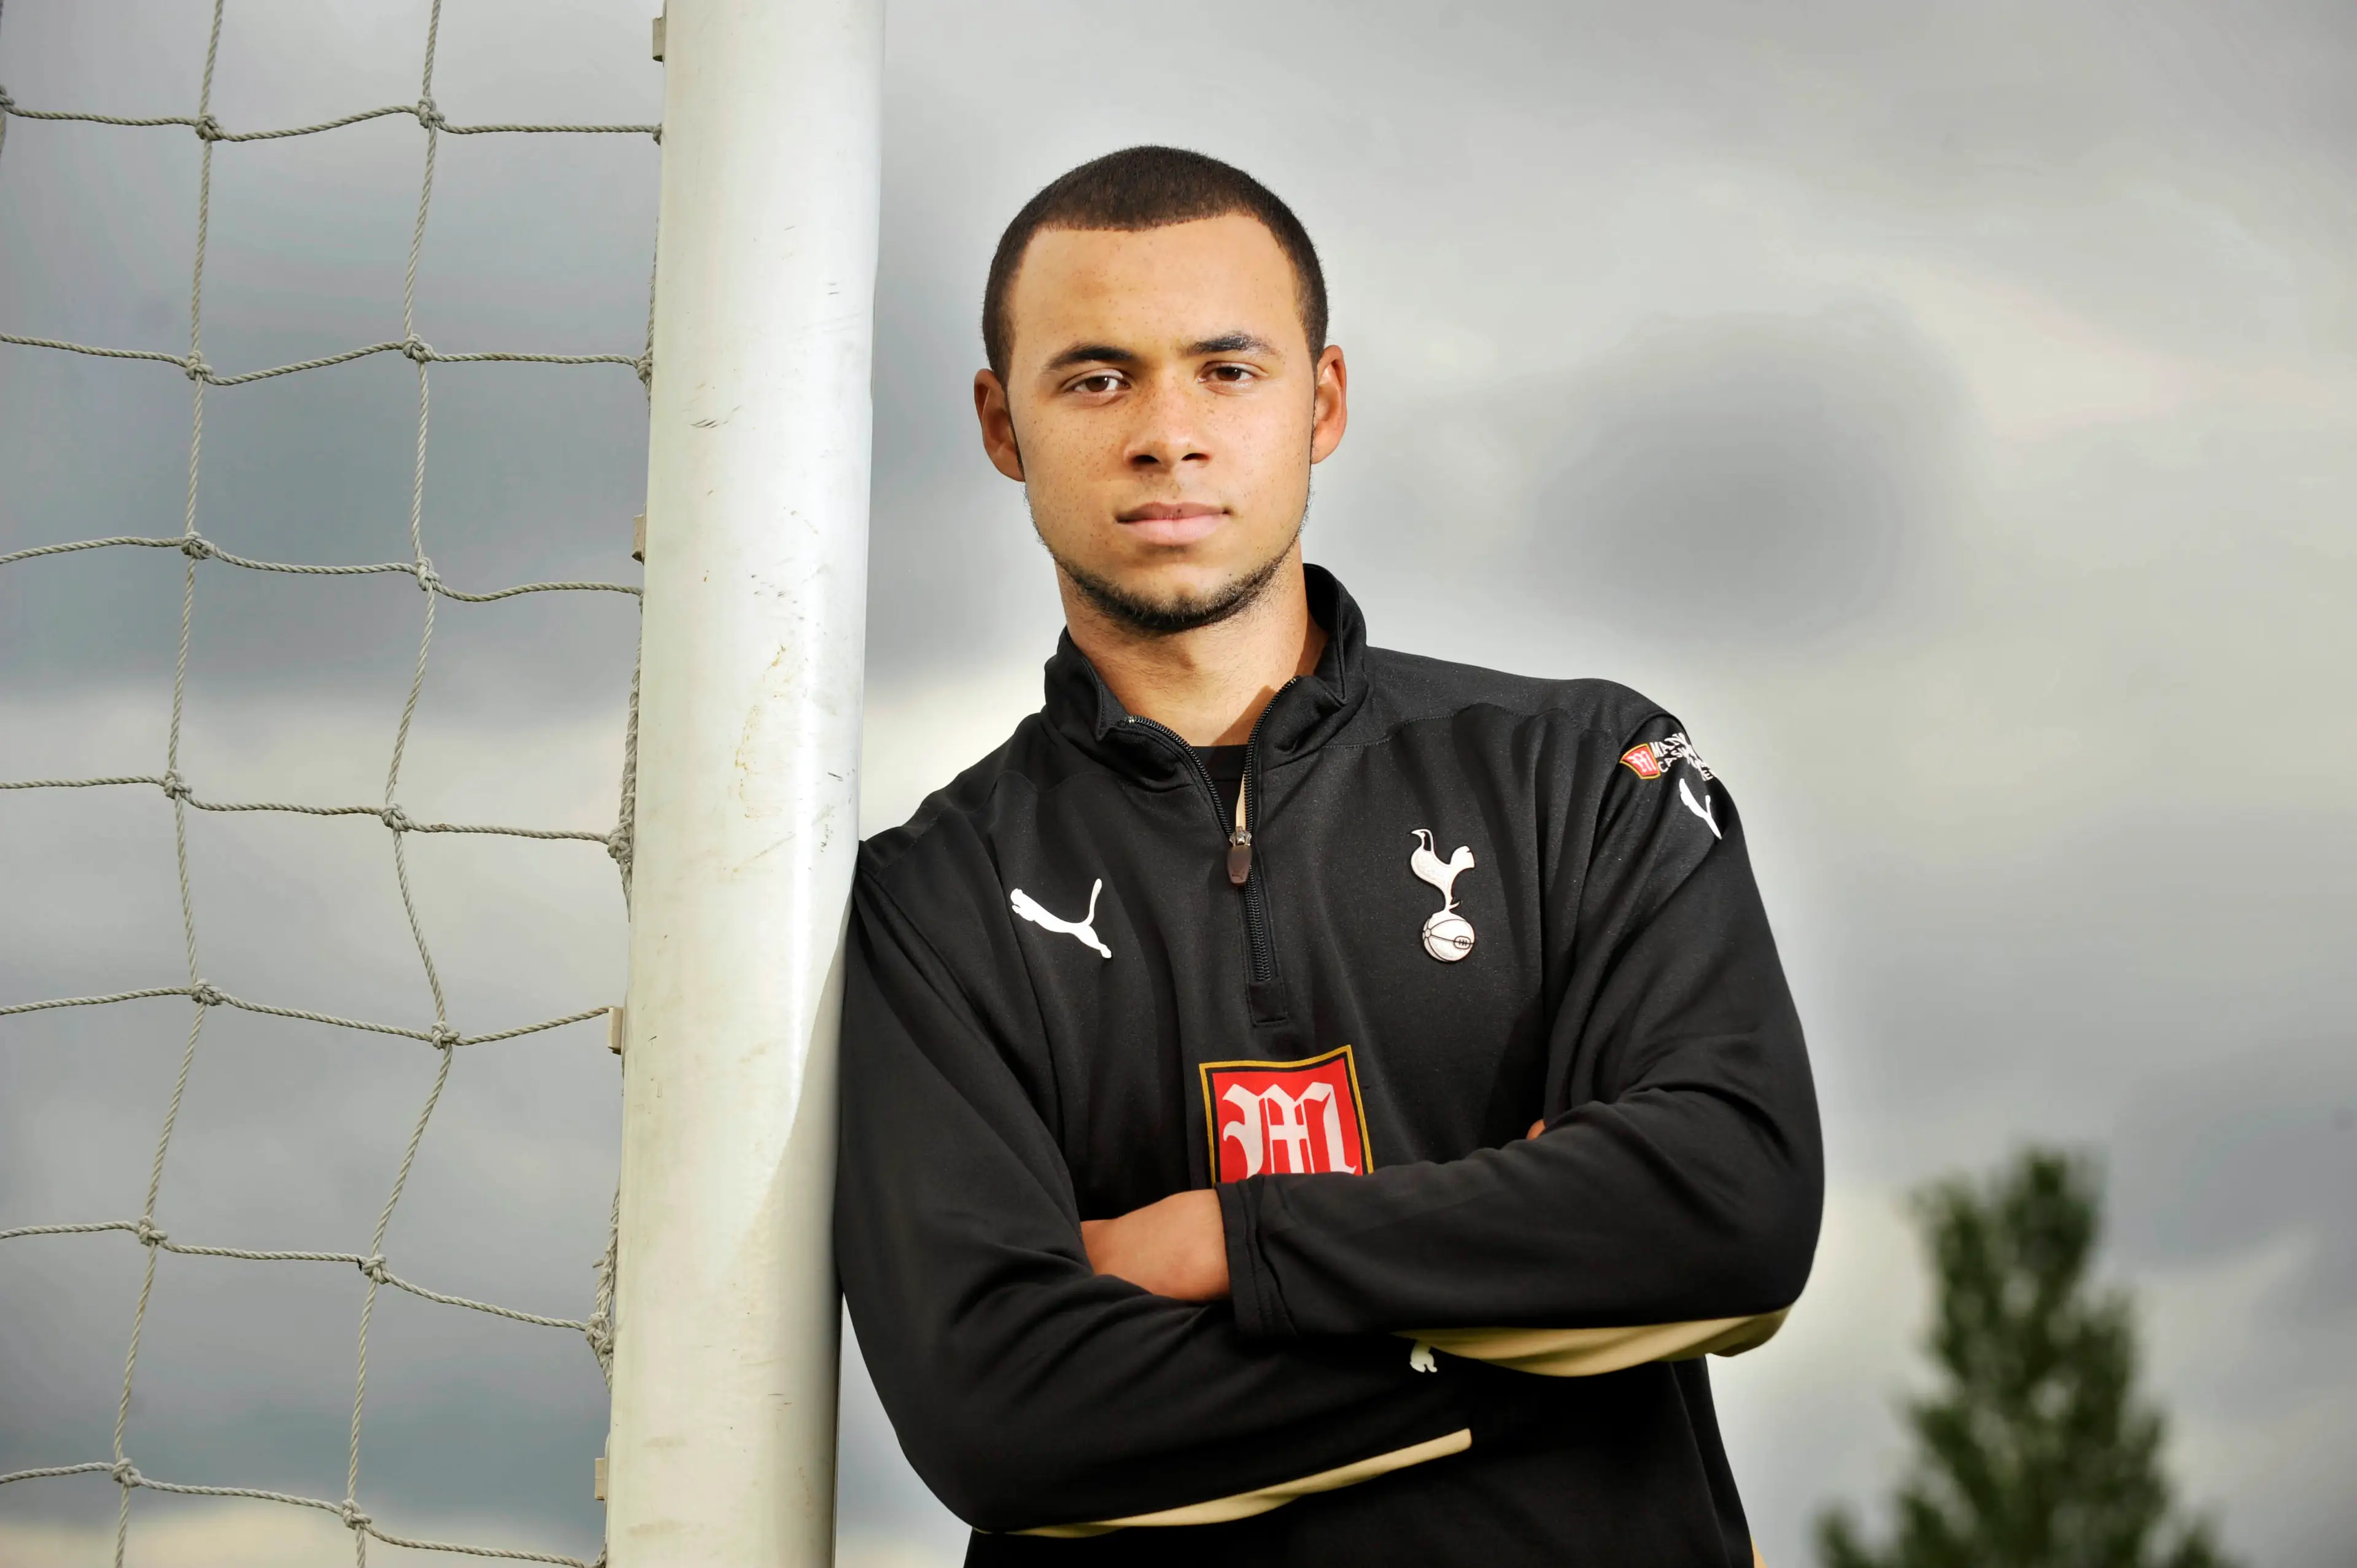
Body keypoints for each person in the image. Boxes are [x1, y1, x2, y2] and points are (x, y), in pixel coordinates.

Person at [835, 145, 1821, 1567]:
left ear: (1326, 401)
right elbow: (1002, 1408)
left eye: (1227, 371)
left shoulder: (1588, 773)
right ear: (1003, 423)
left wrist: (1227, 1244)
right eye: (1096, 377)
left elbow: (1733, 1197)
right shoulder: (925, 903)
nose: (1166, 433)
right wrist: (1546, 1311)